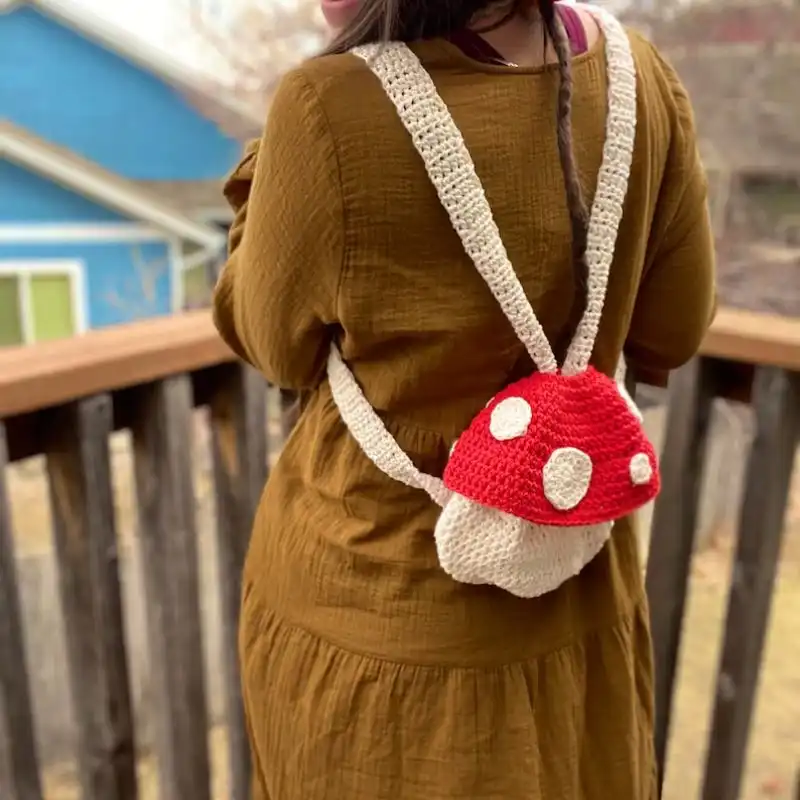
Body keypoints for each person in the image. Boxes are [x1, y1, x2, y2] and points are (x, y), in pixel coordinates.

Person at [212, 0, 716, 797]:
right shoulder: (638, 77)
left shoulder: (331, 107)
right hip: (577, 597)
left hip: (376, 617)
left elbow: (273, 342)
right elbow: (674, 330)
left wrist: (270, 172)